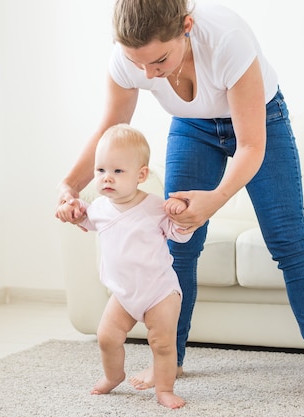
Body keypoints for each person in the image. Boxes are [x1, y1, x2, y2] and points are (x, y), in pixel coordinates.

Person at [56, 0, 304, 408]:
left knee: (288, 240)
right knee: (179, 242)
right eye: (138, 63)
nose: (148, 75)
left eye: (159, 60)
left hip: (261, 121)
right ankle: (172, 360)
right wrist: (69, 185)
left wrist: (215, 201)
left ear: (186, 26)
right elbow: (111, 130)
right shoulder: (128, 59)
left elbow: (251, 145)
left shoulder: (226, 40)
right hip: (192, 126)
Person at [56, 123, 193, 409]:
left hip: (160, 292)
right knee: (106, 338)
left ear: (141, 175)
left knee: (162, 344)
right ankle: (114, 375)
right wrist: (69, 211)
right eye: (101, 170)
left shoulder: (156, 207)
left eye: (118, 171)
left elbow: (181, 236)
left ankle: (165, 388)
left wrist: (181, 217)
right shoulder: (99, 209)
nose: (107, 178)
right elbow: (80, 219)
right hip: (123, 293)